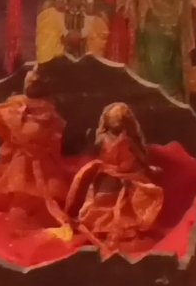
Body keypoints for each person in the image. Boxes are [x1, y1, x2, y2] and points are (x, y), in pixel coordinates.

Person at [65, 103, 163, 254]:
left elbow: (140, 156)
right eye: (114, 120)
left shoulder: (128, 140)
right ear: (107, 121)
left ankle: (123, 229)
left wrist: (149, 168)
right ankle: (100, 227)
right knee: (102, 199)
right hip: (109, 173)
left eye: (120, 120)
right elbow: (93, 150)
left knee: (129, 204)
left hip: (129, 175)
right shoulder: (102, 139)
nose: (117, 124)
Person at [0, 68, 70, 231]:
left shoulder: (48, 113)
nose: (29, 83)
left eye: (34, 82)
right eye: (29, 80)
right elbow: (0, 123)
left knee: (42, 198)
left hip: (42, 165)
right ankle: (23, 219)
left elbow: (41, 135)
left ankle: (37, 219)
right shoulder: (15, 106)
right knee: (21, 196)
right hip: (21, 163)